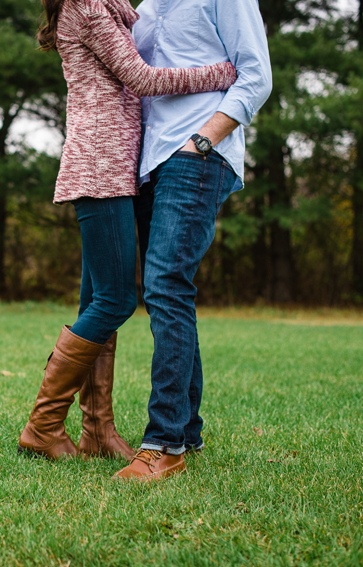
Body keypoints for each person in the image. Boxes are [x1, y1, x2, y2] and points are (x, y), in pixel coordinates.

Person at [18, 0, 237, 461]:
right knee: (116, 300)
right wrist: (221, 73)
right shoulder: (89, 6)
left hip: (116, 168)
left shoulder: (115, 9)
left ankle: (97, 431)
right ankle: (42, 425)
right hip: (101, 166)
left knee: (95, 299)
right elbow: (144, 79)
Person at [114, 0, 272, 482]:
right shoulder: (144, 8)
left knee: (164, 285)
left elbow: (256, 75)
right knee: (168, 290)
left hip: (196, 153)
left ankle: (164, 443)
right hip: (149, 161)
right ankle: (188, 431)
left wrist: (203, 140)